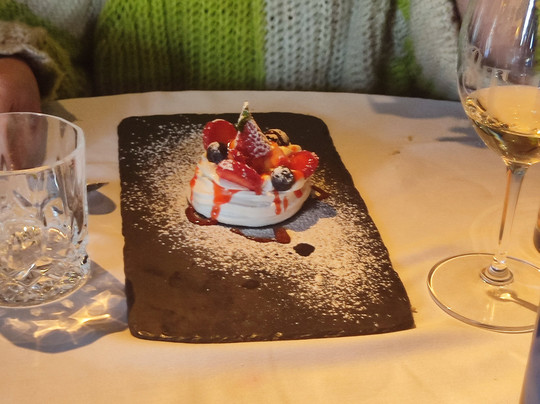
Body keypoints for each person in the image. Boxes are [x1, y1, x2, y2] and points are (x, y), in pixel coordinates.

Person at [0, 0, 468, 114]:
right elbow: (37, 28)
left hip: (367, 172)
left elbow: (440, 64)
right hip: (124, 178)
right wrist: (18, 60)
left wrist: (480, 25)